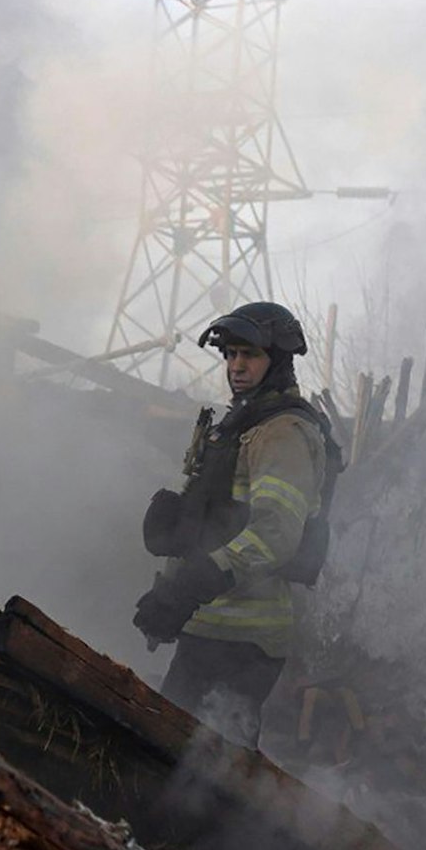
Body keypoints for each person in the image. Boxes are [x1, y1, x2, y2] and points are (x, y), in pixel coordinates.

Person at [135, 302, 341, 747]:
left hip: (245, 641)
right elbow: (208, 529)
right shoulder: (239, 428)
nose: (237, 366)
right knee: (168, 755)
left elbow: (276, 532)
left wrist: (196, 583)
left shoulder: (282, 433)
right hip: (208, 627)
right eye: (229, 354)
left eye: (249, 355)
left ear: (278, 361)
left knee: (207, 771)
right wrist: (169, 593)